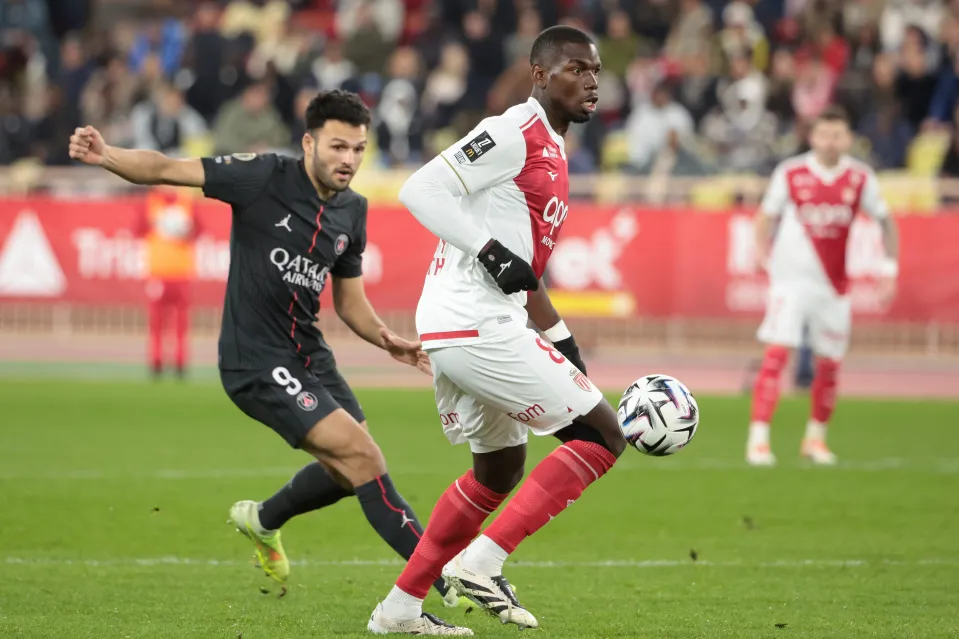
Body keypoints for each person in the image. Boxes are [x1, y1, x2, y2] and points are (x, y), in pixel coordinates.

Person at [67, 90, 461, 605]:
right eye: (338, 146)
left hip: (310, 356)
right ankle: (446, 583)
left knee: (348, 474)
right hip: (254, 359)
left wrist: (387, 339)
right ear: (308, 143)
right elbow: (167, 167)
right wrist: (108, 155)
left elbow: (350, 303)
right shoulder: (262, 176)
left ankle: (263, 519)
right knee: (366, 458)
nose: (349, 160)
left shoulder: (354, 211)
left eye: (358, 149)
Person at [367, 26, 627, 636]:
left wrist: (561, 340)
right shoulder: (515, 130)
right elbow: (419, 187)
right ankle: (482, 563)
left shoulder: (557, 151)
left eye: (595, 71)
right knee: (602, 437)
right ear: (540, 75)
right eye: (575, 69)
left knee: (501, 468)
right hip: (473, 321)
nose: (590, 81)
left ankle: (400, 610)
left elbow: (522, 270)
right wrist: (486, 250)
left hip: (474, 324)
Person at [747, 105, 899, 467]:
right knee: (777, 354)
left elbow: (887, 223)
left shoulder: (860, 178)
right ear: (813, 136)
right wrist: (760, 254)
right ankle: (758, 440)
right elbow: (764, 218)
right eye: (824, 134)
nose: (830, 142)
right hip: (791, 281)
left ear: (848, 138)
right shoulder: (791, 172)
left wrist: (889, 270)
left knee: (829, 365)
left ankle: (815, 439)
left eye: (838, 135)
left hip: (833, 287)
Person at [136, 186, 198, 379]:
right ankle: (156, 361)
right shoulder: (151, 204)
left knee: (180, 323)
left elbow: (198, 232)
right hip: (158, 272)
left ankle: (180, 362)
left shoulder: (187, 203)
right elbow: (138, 230)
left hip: (180, 272)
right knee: (157, 323)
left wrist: (186, 229)